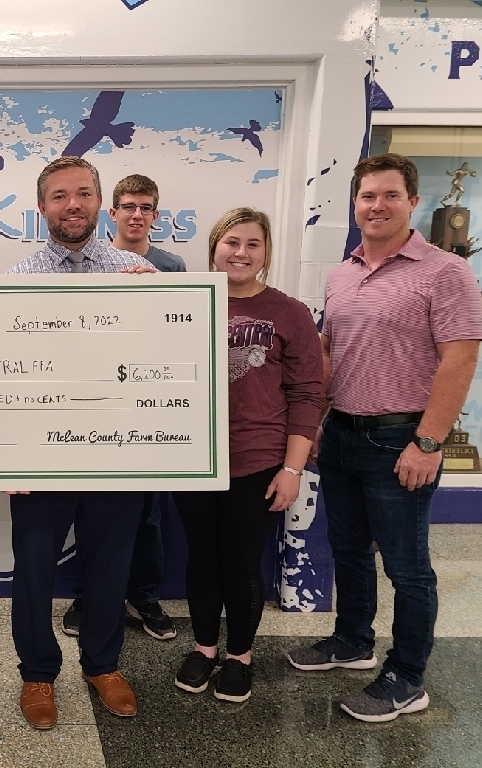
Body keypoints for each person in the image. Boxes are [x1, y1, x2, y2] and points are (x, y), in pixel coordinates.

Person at [287, 153, 482, 722]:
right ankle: (352, 640)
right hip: (342, 434)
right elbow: (330, 351)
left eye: (390, 195)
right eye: (368, 196)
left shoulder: (445, 271)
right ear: (355, 204)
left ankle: (408, 676)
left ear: (412, 202)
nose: (378, 206)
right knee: (347, 550)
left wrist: (429, 442)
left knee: (406, 566)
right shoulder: (342, 273)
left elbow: (460, 359)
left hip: (402, 439)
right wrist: (316, 420)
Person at [7, 156, 156, 730]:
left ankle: (103, 664)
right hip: (39, 456)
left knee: (110, 566)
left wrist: (158, 305)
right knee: (34, 569)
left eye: (83, 194)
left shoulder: (136, 272)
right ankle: (37, 673)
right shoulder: (19, 279)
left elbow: (161, 361)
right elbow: (1, 373)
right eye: (60, 196)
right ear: (41, 206)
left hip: (115, 450)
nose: (73, 205)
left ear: (100, 203)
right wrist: (6, 457)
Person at [171, 208, 323, 703]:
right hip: (193, 457)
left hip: (258, 459)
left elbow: (307, 394)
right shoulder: (183, 301)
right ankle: (204, 648)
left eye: (253, 244)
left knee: (240, 561)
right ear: (214, 247)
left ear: (266, 252)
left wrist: (292, 468)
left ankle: (240, 656)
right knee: (201, 557)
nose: (241, 252)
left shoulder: (289, 312)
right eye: (231, 242)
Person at [61, 173, 183, 641]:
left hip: (145, 410)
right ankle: (89, 596)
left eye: (145, 207)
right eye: (128, 206)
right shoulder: (91, 262)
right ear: (112, 212)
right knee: (91, 512)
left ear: (156, 215)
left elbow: (177, 337)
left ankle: (144, 597)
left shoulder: (171, 267)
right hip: (92, 407)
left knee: (147, 514)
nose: (137, 215)